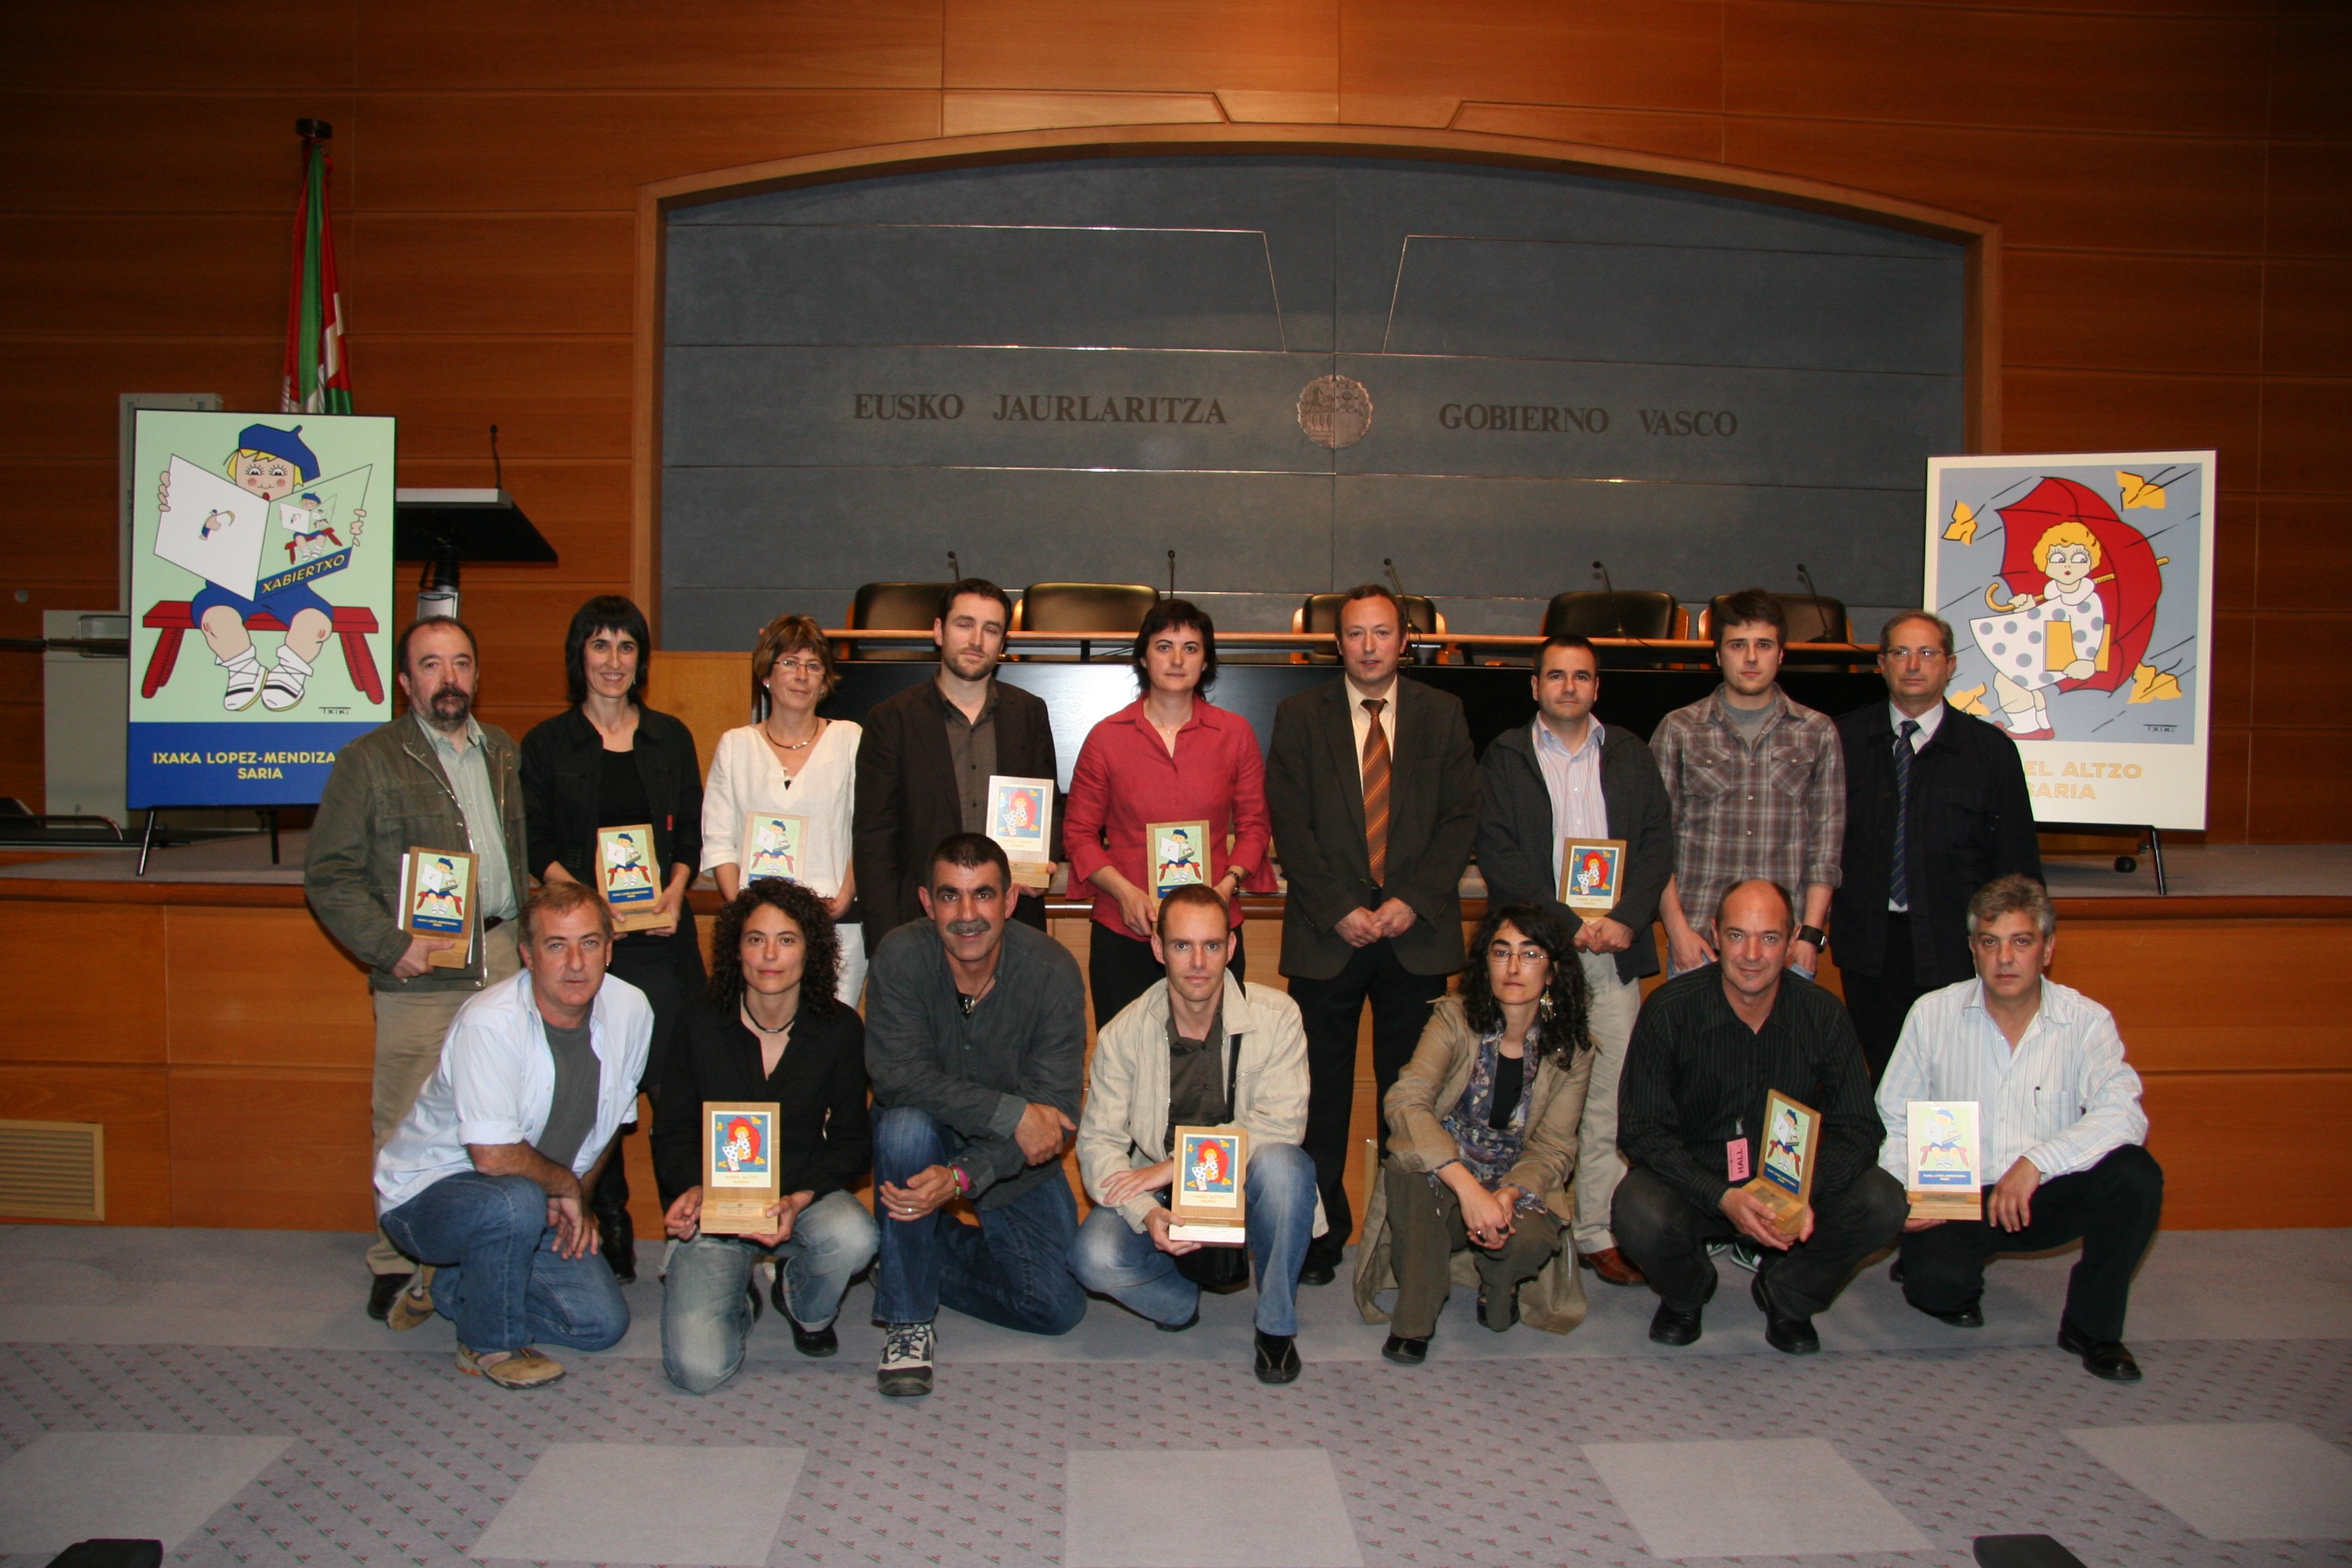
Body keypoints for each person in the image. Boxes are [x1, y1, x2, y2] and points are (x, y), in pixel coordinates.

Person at [305, 616, 530, 1322]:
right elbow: (329, 874)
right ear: (405, 681)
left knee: (500, 1112)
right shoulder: (367, 760)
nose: (449, 678)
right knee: (405, 1118)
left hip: (501, 955)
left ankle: (487, 1243)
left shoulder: (502, 751)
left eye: (461, 662)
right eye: (431, 665)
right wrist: (388, 942)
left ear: (476, 675)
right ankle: (396, 1258)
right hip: (420, 968)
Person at [1267, 583, 1479, 1284]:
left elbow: (1459, 821)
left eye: (1381, 632)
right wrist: (1337, 907)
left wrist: (1413, 901)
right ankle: (1322, 1236)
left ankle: (1405, 1237)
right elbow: (1289, 823)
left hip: (1414, 938)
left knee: (1410, 1098)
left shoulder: (1444, 715)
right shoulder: (1300, 715)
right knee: (1320, 1099)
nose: (1368, 645)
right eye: (1355, 633)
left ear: (1404, 640)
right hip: (1330, 939)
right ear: (1338, 643)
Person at [1877, 875, 2161, 1381]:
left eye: (2021, 942)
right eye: (1991, 943)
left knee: (2136, 1175)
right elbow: (1893, 1115)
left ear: (2047, 950)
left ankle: (2091, 1328)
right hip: (1958, 1195)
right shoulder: (1932, 1015)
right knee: (1940, 1290)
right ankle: (1928, 1269)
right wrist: (1905, 1193)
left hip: (2045, 1192)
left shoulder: (2085, 1021)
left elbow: (2125, 1113)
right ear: (1972, 950)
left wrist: (2038, 1162)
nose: (2005, 959)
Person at [371, 883, 650, 1389]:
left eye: (589, 944)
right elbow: (493, 1157)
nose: (575, 964)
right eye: (555, 945)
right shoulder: (490, 1023)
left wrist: (578, 1198)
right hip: (429, 1200)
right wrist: (564, 1187)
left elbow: (614, 1120)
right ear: (526, 954)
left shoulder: (632, 1010)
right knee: (513, 1199)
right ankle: (487, 1343)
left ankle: (451, 1286)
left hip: (533, 1197)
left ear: (610, 950)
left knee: (599, 1325)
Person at [1614, 880, 1906, 1353]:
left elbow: (1860, 1128)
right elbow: (1642, 1131)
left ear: (1792, 943)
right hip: (1700, 1183)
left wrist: (1801, 1195)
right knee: (1636, 1209)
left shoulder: (1824, 1014)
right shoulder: (1669, 1010)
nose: (1752, 954)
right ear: (1714, 933)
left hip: (1791, 1184)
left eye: (1769, 938)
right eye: (1736, 935)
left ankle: (1788, 1294)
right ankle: (1687, 1294)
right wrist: (1724, 1197)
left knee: (1882, 1199)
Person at [1475, 633, 1673, 1289]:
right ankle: (1514, 1219)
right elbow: (1500, 853)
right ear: (1534, 686)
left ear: (1597, 687)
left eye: (1581, 676)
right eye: (1555, 675)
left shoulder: (1631, 754)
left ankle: (1596, 1231)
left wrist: (1623, 918)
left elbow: (1655, 844)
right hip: (1535, 956)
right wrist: (1564, 926)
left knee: (1608, 1096)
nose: (1568, 686)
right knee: (1523, 1095)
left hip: (1614, 954)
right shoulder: (1506, 755)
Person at [520, 595, 707, 1283]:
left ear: (641, 660)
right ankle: (609, 1213)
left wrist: (677, 888)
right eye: (599, 645)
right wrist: (591, 911)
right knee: (594, 1081)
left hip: (660, 938)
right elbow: (537, 843)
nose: (613, 660)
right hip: (582, 943)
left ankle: (689, 1223)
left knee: (673, 1084)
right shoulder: (546, 745)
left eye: (626, 646)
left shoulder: (671, 737)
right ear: (580, 656)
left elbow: (688, 831)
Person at [864, 833, 1088, 1398]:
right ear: (926, 900)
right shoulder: (898, 954)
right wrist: (1010, 1111)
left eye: (983, 895)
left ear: (1010, 901)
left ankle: (901, 1253)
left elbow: (1054, 1116)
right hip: (927, 1136)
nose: (967, 915)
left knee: (1056, 1305)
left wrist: (963, 1177)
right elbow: (896, 1076)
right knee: (904, 1124)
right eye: (950, 896)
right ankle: (908, 1318)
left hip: (1009, 1160)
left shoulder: (1052, 970)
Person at [1069, 883, 1320, 1385]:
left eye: (1211, 945)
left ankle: (1275, 1326)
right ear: (1159, 949)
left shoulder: (1278, 1017)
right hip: (1158, 1187)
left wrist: (1178, 1164)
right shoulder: (1124, 1032)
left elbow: (1283, 1124)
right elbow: (1098, 1143)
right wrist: (1148, 1210)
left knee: (1288, 1169)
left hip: (1244, 1178)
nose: (1199, 962)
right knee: (1091, 1257)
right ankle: (1179, 1302)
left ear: (1231, 947)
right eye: (1183, 946)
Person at [655, 879, 877, 1393]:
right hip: (716, 1204)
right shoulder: (697, 1021)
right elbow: (672, 1129)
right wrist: (690, 1188)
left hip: (799, 1195)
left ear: (812, 950)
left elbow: (852, 1144)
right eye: (756, 940)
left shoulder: (840, 1029)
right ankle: (738, 1298)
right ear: (737, 948)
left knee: (856, 1236)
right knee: (698, 1372)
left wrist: (798, 1199)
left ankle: (797, 1301)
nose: (770, 955)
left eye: (787, 939)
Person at [1354, 903, 1597, 1362]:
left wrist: (1504, 1196)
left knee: (1529, 1238)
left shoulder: (1572, 1048)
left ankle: (1497, 1284)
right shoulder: (1454, 1019)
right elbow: (1407, 1100)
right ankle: (1416, 1317)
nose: (1512, 967)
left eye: (1530, 954)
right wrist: (1467, 1187)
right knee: (1408, 1169)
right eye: (1501, 952)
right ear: (1485, 964)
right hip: (1445, 1171)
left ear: (1553, 971)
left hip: (1515, 1177)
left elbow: (1557, 1146)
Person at [1833, 611, 2043, 1083]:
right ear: (1881, 665)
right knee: (1885, 1079)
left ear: (1949, 665)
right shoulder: (1841, 741)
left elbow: (2017, 864)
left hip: (1956, 949)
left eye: (1927, 653)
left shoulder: (1989, 751)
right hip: (1869, 948)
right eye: (1900, 653)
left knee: (1957, 1078)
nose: (1913, 664)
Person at [1062, 598, 1276, 1028]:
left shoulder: (1235, 735)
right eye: (1164, 646)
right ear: (1143, 657)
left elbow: (1255, 828)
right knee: (1126, 1067)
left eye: (1191, 648)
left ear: (1206, 660)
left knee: (1210, 1066)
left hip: (1210, 936)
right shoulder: (1106, 738)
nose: (1177, 660)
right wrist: (1124, 894)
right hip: (1126, 931)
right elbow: (1079, 834)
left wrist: (1225, 888)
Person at [1651, 588, 1845, 981]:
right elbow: (1654, 843)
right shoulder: (1680, 729)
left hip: (1786, 946)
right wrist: (1678, 931)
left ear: (1781, 654)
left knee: (1782, 1046)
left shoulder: (1817, 731)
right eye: (1738, 645)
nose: (1752, 657)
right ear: (1719, 655)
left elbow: (1827, 843)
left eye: (1764, 645)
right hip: (1700, 941)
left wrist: (1809, 934)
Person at [854, 579, 1060, 937]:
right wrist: (886, 941)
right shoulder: (891, 720)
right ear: (938, 630)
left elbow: (1049, 805)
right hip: (919, 924)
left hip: (1011, 919)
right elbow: (875, 841)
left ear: (1002, 641)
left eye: (991, 629)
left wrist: (1040, 864)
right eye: (964, 625)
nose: (977, 641)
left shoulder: (1029, 713)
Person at [701, 614, 867, 1001]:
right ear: (766, 674)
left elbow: (868, 831)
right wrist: (748, 912)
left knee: (827, 1041)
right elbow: (720, 840)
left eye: (813, 666)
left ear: (825, 680)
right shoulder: (735, 746)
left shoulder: (849, 739)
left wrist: (844, 898)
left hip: (836, 922)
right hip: (758, 931)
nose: (802, 675)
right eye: (789, 663)